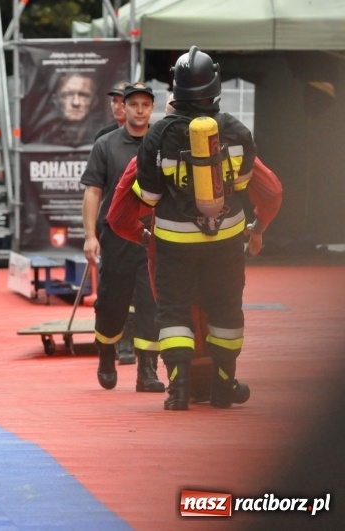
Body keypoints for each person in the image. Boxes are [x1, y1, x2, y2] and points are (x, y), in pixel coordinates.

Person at [134, 46, 257, 411]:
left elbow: (149, 195)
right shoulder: (236, 129)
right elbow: (243, 184)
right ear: (215, 84)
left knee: (173, 311)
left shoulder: (158, 135)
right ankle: (222, 386)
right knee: (226, 310)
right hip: (227, 238)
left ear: (176, 87)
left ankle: (178, 389)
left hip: (174, 240)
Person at [81, 82, 163, 393]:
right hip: (116, 237)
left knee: (151, 302)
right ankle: (106, 353)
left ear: (151, 108)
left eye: (145, 105)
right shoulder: (106, 144)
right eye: (133, 105)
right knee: (112, 303)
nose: (139, 110)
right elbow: (93, 191)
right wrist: (91, 236)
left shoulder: (162, 143)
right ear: (124, 108)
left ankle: (147, 370)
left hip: (153, 237)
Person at [37, 71, 104, 147]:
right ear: (55, 100)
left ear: (94, 101)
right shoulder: (42, 135)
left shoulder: (104, 137)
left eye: (84, 96)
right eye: (68, 95)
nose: (76, 103)